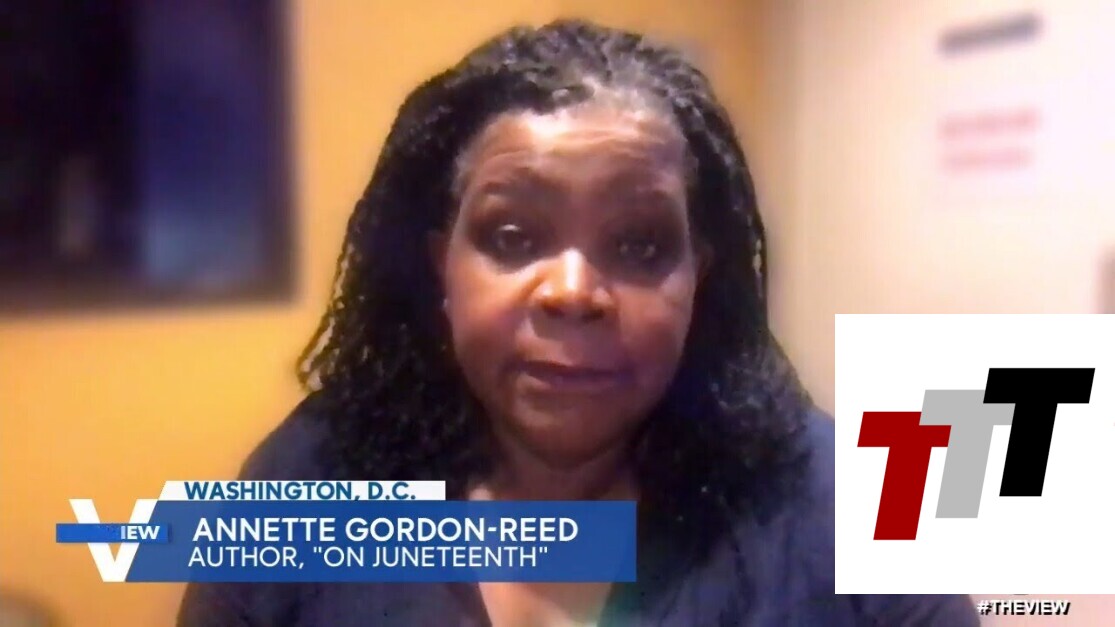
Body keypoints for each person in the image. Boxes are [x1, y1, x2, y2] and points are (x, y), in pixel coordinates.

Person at [179, 19, 979, 627]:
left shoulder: (853, 505)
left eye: (639, 245)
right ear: (441, 267)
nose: (572, 291)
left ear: (699, 275)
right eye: (511, 236)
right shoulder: (306, 487)